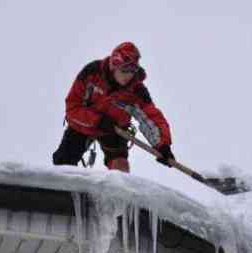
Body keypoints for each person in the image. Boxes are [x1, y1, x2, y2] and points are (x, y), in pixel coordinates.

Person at [52, 42, 175, 172]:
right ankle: (63, 189)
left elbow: (152, 117)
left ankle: (115, 191)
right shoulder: (91, 73)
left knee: (120, 168)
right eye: (124, 70)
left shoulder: (136, 91)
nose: (128, 76)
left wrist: (162, 146)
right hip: (83, 124)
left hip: (115, 130)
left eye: (132, 71)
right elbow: (72, 107)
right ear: (113, 66)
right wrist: (97, 121)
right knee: (63, 161)